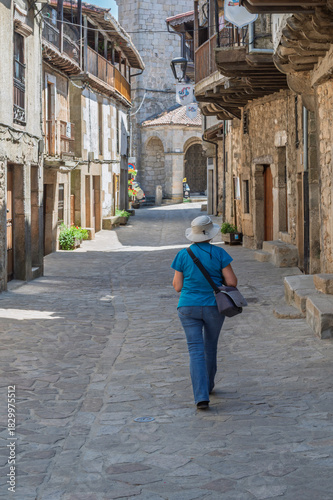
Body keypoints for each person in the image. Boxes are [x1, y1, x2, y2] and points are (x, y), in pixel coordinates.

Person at [171, 215, 237, 410]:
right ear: (211, 234)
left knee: (195, 351)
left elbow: (177, 287)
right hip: (214, 306)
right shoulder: (219, 253)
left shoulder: (183, 255)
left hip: (187, 307)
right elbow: (232, 282)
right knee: (210, 347)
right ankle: (208, 386)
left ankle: (200, 396)